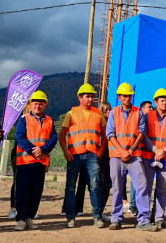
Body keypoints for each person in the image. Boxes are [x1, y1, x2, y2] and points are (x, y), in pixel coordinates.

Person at [106, 83, 155, 232]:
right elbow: (110, 134)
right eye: (124, 95)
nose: (127, 98)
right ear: (119, 97)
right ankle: (116, 219)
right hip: (117, 155)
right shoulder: (114, 112)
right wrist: (122, 151)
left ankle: (143, 220)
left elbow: (141, 133)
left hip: (134, 155)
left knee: (142, 187)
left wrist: (131, 150)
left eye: (129, 95)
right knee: (117, 188)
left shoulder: (138, 112)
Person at [59, 83, 107, 228]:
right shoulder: (71, 113)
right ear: (80, 98)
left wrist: (99, 151)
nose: (91, 99)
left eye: (92, 96)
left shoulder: (98, 114)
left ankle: (97, 216)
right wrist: (66, 151)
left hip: (92, 155)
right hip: (74, 156)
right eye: (87, 96)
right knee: (70, 187)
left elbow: (104, 136)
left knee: (95, 186)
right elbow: (62, 135)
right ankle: (70, 217)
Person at [13, 90, 58, 231]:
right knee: (22, 190)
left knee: (36, 191)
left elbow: (53, 138)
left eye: (41, 104)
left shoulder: (49, 120)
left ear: (45, 105)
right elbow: (20, 137)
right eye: (35, 103)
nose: (38, 106)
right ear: (31, 104)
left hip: (40, 162)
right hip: (25, 162)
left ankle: (29, 218)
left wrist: (43, 150)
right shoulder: (24, 119)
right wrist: (35, 150)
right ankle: (20, 219)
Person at [141, 88, 166, 230]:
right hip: (149, 157)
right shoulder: (147, 116)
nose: (165, 103)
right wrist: (154, 150)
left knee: (161, 189)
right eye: (162, 100)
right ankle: (145, 218)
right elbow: (143, 135)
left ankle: (159, 218)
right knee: (146, 188)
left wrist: (163, 150)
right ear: (155, 102)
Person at [128, 99, 154, 215]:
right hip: (137, 154)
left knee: (145, 182)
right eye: (149, 107)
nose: (151, 109)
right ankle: (133, 205)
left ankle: (142, 207)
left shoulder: (151, 120)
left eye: (152, 107)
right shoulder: (138, 117)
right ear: (142, 109)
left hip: (148, 155)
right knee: (136, 180)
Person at [97, 101, 113, 214]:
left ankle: (101, 211)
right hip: (100, 157)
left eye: (109, 109)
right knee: (99, 184)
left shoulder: (113, 124)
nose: (108, 112)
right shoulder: (98, 124)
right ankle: (97, 211)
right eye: (106, 110)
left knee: (108, 184)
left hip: (111, 157)